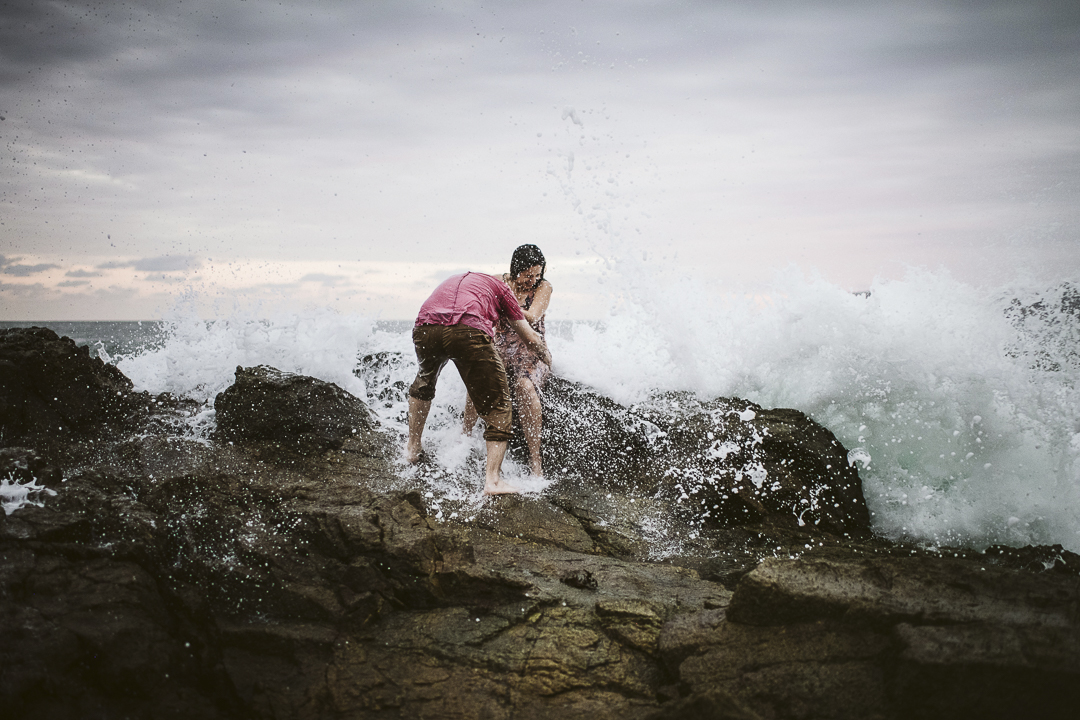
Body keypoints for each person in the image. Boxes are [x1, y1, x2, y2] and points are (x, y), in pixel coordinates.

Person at [405, 270, 552, 495]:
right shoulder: (504, 291)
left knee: (424, 381)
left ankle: (413, 448)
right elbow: (530, 337)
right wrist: (549, 359)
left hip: (425, 327)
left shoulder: (462, 280)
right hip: (466, 330)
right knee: (499, 403)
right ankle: (493, 481)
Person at [463, 244, 552, 477]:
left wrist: (503, 299)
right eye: (527, 274)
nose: (532, 280)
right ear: (515, 270)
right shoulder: (499, 282)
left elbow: (532, 316)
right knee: (478, 378)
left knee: (524, 386)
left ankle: (536, 462)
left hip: (532, 355)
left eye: (537, 274)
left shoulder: (544, 288)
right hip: (501, 353)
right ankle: (464, 438)